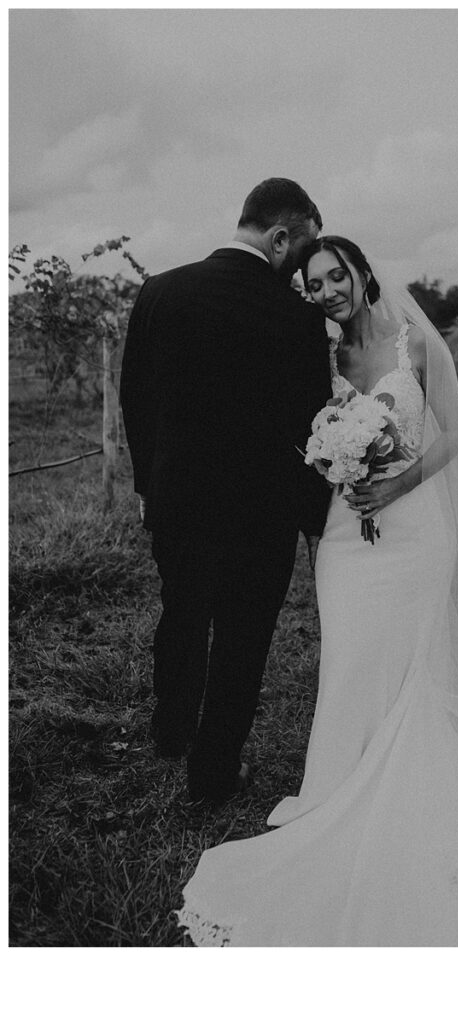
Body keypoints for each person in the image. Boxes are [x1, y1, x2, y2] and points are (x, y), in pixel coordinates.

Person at [176, 237, 458, 946]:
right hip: (346, 538)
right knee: (352, 664)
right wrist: (334, 461)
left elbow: (456, 432)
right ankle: (337, 792)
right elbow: (301, 437)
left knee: (412, 664)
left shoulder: (414, 342)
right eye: (314, 282)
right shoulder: (322, 358)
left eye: (336, 275)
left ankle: (410, 799)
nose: (328, 289)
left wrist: (398, 481)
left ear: (360, 274)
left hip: (415, 529)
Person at [120, 179, 332, 804]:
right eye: (303, 249)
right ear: (280, 236)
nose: (304, 267)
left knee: (181, 614)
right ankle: (213, 774)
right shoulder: (298, 318)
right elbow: (310, 423)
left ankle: (170, 729)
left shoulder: (160, 290)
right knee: (243, 640)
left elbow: (138, 400)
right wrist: (311, 517)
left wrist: (145, 485)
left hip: (177, 500)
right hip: (260, 517)